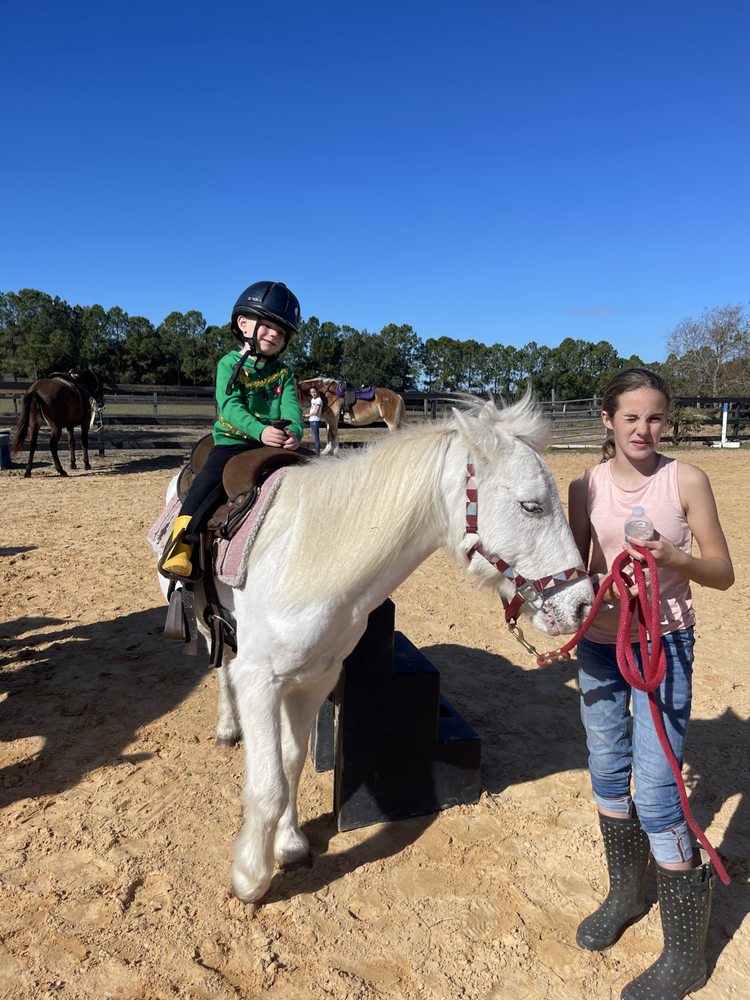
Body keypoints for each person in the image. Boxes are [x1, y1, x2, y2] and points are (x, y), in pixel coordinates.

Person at [567, 368, 734, 1000]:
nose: (643, 428)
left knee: (661, 794)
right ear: (607, 420)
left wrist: (677, 559)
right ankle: (624, 894)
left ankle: (684, 957)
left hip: (664, 645)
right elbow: (574, 569)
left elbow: (722, 572)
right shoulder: (585, 486)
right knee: (608, 773)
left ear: (667, 421)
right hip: (601, 649)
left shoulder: (685, 480)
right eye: (630, 417)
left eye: (655, 417)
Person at [161, 280, 304, 577]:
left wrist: (294, 433)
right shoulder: (228, 364)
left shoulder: (285, 374)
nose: (274, 334)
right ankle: (181, 544)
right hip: (234, 442)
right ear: (243, 323)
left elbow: (292, 409)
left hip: (275, 444)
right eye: (267, 325)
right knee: (208, 483)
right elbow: (230, 407)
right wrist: (260, 431)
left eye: (281, 332)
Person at [307, 385, 323, 455]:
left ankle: (317, 452)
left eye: (314, 392)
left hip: (315, 420)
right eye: (312, 392)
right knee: (314, 436)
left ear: (317, 392)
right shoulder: (312, 400)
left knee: (316, 437)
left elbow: (316, 411)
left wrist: (307, 415)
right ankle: (316, 451)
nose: (313, 393)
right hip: (311, 420)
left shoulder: (318, 400)